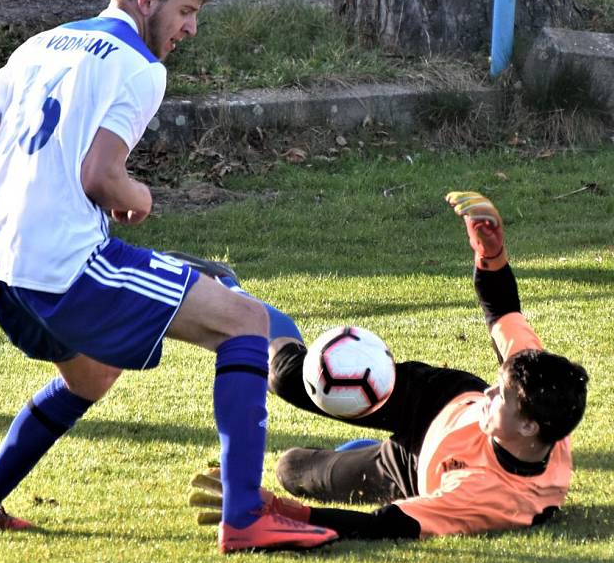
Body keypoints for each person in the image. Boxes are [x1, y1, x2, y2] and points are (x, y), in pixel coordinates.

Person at [0, 0, 336, 554]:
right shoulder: (140, 67)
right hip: (66, 265)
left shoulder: (41, 44)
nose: (190, 29)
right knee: (244, 320)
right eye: (186, 12)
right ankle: (245, 518)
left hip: (2, 268)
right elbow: (99, 175)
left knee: (90, 378)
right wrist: (139, 197)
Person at [187, 191, 590, 541]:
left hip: (411, 473)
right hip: (437, 401)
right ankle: (230, 293)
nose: (489, 391)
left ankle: (372, 452)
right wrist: (491, 249)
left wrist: (279, 509)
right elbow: (502, 309)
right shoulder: (536, 381)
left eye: (500, 396)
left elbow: (382, 527)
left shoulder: (492, 498)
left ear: (528, 427)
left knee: (292, 470)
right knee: (289, 378)